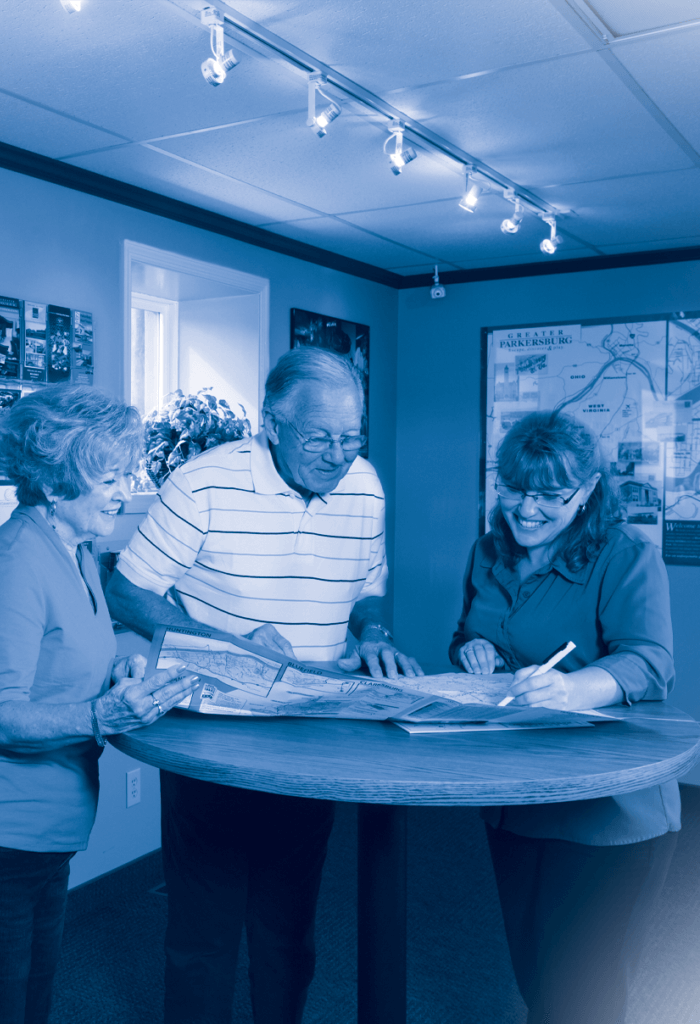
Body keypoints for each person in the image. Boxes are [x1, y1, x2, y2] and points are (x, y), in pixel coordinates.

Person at [107, 346, 421, 1024]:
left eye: (352, 435)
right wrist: (230, 644)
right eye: (322, 438)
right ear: (273, 424)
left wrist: (373, 634)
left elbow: (368, 590)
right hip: (212, 732)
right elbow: (127, 593)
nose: (340, 454)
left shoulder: (365, 486)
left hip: (312, 731)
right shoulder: (202, 483)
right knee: (204, 930)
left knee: (288, 926)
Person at [0, 385, 198, 1024]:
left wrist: (114, 676)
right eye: (110, 476)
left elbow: (61, 670)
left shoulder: (79, 552)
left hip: (42, 840)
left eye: (129, 473)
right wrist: (104, 716)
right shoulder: (12, 563)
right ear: (59, 478)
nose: (126, 490)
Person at [450, 409, 678, 1024]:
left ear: (589, 492)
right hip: (515, 797)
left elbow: (651, 661)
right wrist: (477, 650)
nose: (527, 509)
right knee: (534, 976)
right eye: (514, 490)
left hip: (608, 807)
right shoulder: (486, 551)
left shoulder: (627, 554)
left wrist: (571, 689)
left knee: (585, 994)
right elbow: (472, 633)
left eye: (550, 496)